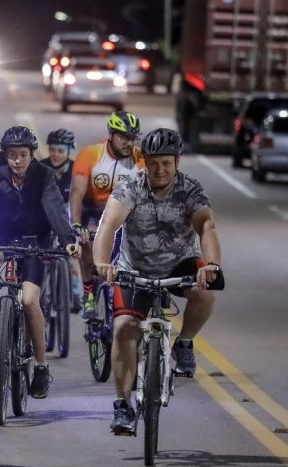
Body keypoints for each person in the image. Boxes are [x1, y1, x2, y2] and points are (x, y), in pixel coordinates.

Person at [93, 128, 223, 434]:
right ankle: (123, 406)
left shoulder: (190, 189)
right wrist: (101, 263)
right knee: (124, 329)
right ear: (144, 161)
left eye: (166, 162)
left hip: (179, 265)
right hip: (134, 269)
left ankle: (186, 343)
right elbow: (108, 224)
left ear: (177, 161)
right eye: (153, 163)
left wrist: (212, 265)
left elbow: (207, 226)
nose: (160, 169)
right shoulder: (131, 186)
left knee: (206, 294)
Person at [0, 126, 81, 399]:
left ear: (32, 155)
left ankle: (41, 366)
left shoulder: (44, 177)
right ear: (4, 156)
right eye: (11, 156)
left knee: (30, 300)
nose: (16, 161)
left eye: (22, 155)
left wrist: (67, 238)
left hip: (35, 242)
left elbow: (54, 207)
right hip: (3, 240)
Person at [69, 111, 144, 319]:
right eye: (124, 137)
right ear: (111, 134)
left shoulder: (140, 160)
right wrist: (76, 225)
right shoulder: (91, 154)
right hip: (93, 212)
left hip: (125, 215)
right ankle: (89, 293)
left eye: (133, 138)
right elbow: (76, 193)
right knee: (86, 241)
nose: (129, 143)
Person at [40, 128, 83, 312]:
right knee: (41, 258)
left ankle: (74, 293)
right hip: (45, 216)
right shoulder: (40, 168)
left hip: (68, 216)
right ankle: (40, 293)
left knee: (73, 254)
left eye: (61, 150)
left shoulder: (76, 171)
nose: (56, 155)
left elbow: (83, 199)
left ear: (69, 151)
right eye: (52, 150)